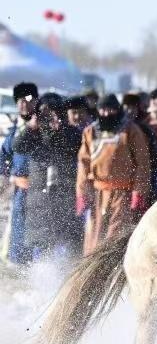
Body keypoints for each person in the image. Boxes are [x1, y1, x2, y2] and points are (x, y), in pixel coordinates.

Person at [77, 94, 151, 255]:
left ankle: (111, 272)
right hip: (98, 194)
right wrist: (82, 193)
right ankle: (91, 275)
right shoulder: (90, 132)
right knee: (94, 237)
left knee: (115, 236)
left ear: (117, 110)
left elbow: (142, 163)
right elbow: (83, 165)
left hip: (122, 194)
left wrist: (139, 192)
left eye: (110, 109)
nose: (106, 113)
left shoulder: (130, 131)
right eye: (103, 109)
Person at [12, 93, 83, 259]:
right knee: (41, 243)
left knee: (65, 241)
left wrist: (62, 129)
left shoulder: (71, 132)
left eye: (53, 111)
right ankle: (40, 276)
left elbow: (78, 146)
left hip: (65, 195)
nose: (50, 116)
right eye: (45, 112)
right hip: (39, 200)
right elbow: (17, 147)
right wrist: (31, 127)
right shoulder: (33, 133)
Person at [1, 82, 39, 264]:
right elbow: (4, 156)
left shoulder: (43, 127)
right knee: (17, 229)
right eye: (20, 101)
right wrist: (5, 176)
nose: (24, 104)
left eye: (28, 100)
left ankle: (38, 267)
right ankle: (17, 265)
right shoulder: (15, 131)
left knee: (37, 231)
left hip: (40, 190)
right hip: (19, 191)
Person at [123, 93, 157, 201]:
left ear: (138, 109)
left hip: (146, 178)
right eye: (126, 107)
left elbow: (155, 159)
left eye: (133, 108)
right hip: (123, 181)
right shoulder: (119, 131)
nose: (129, 111)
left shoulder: (145, 130)